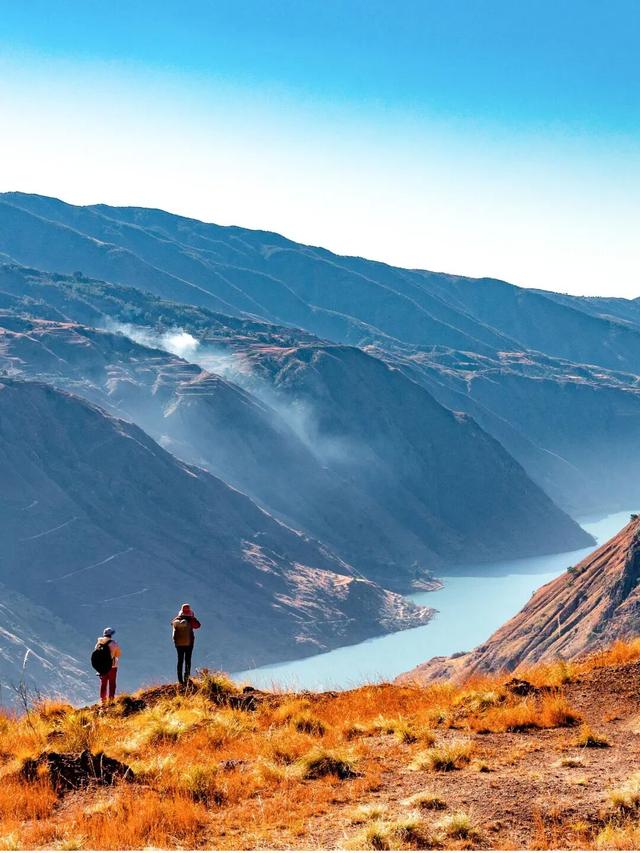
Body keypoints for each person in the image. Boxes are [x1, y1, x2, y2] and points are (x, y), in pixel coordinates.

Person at [171, 604, 201, 685]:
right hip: (189, 643)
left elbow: (172, 623)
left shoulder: (177, 619)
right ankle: (186, 678)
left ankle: (180, 680)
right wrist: (192, 617)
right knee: (188, 660)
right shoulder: (191, 620)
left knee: (180, 660)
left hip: (178, 644)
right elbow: (198, 625)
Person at [94, 627, 121, 703]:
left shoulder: (98, 644)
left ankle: (103, 701)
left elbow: (96, 655)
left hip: (102, 667)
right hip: (112, 667)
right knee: (112, 684)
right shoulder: (114, 644)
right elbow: (118, 654)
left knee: (103, 684)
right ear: (111, 635)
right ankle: (111, 700)